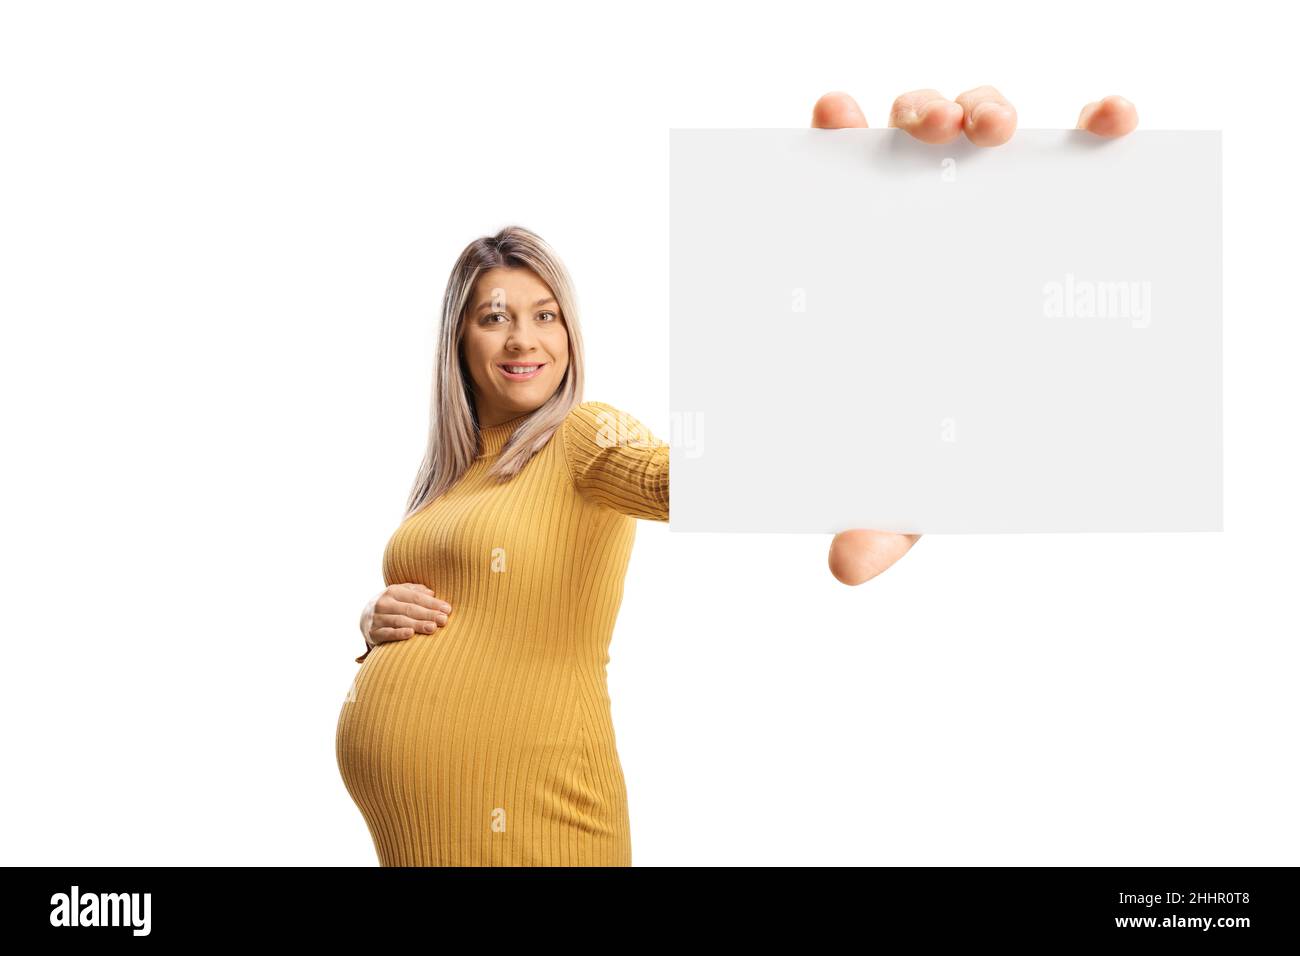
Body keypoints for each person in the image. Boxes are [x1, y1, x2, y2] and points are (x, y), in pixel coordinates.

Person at [336, 88, 1139, 866]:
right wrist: (373, 631)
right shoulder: (452, 476)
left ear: (571, 333)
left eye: (546, 313)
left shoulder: (583, 434)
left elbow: (677, 475)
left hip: (538, 824)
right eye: (495, 315)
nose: (525, 337)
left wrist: (902, 431)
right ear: (459, 341)